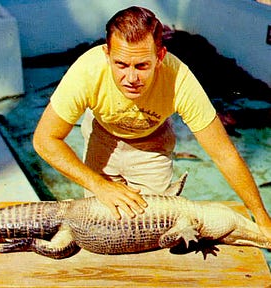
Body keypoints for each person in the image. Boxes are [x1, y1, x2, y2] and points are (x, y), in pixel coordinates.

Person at [33, 6, 271, 238]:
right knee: (101, 226)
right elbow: (45, 140)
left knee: (151, 228)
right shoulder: (87, 70)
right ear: (107, 55)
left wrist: (262, 219)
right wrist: (99, 185)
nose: (131, 78)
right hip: (103, 136)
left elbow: (224, 154)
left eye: (142, 66)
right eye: (121, 65)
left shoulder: (179, 79)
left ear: (160, 57)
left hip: (152, 143)